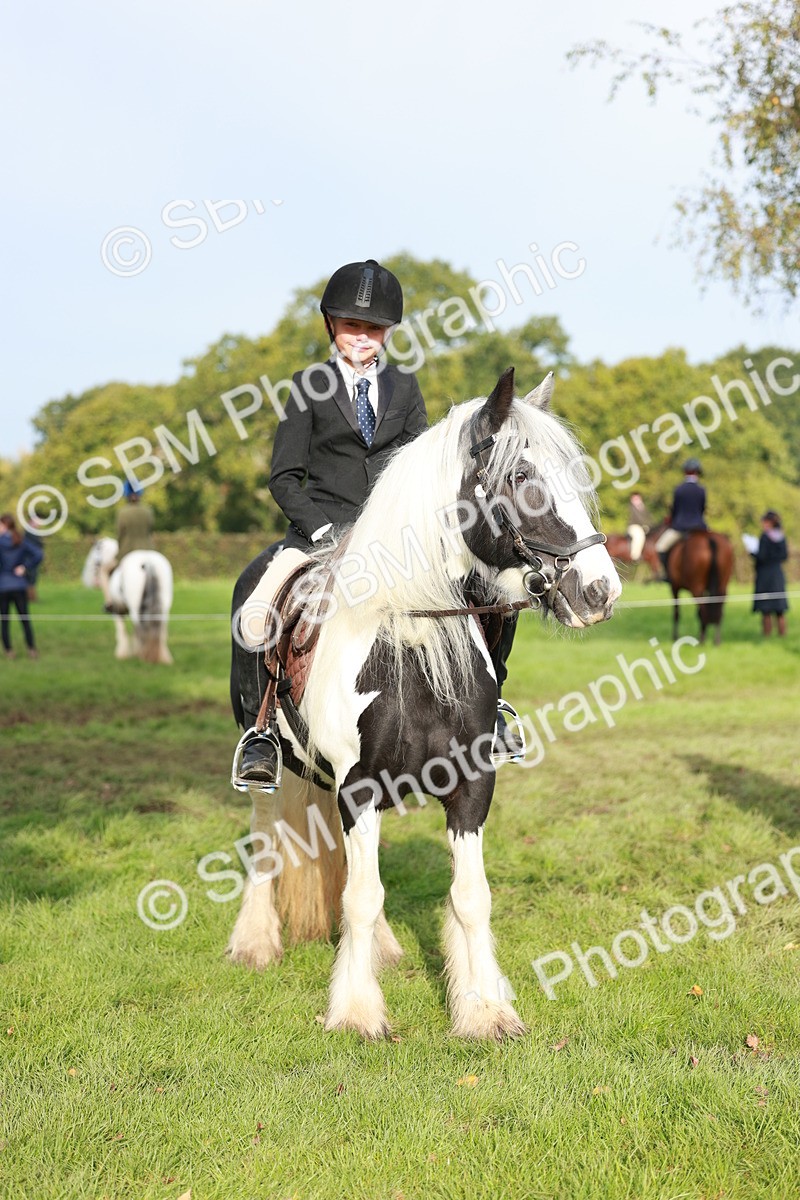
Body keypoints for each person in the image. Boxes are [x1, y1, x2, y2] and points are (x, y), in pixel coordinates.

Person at [235, 258, 522, 788]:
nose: (362, 338)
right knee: (256, 606)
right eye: (352, 327)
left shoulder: (404, 387)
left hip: (396, 539)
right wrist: (324, 532)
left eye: (373, 329)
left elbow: (421, 465)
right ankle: (262, 734)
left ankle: (495, 703)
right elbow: (284, 478)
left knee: (491, 590)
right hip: (321, 536)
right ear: (331, 327)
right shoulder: (305, 387)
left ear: (388, 333)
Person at [99, 481, 155, 608]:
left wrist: (119, 550)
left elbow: (120, 535)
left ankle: (109, 602)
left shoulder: (122, 512)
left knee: (103, 570)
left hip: (128, 551)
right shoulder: (148, 511)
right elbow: (150, 531)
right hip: (148, 550)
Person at [0, 513, 44, 659]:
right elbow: (38, 554)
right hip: (19, 585)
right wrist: (25, 567)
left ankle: (9, 651)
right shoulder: (20, 540)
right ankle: (32, 649)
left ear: (5, 525)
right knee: (25, 619)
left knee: (5, 621)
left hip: (3, 586)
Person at [655, 457, 707, 580]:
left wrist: (671, 519)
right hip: (699, 527)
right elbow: (702, 509)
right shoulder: (701, 490)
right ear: (698, 472)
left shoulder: (679, 489)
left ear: (685, 472)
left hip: (680, 527)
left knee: (660, 547)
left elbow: (675, 510)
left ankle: (667, 574)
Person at [750, 510, 789, 636]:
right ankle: (782, 636)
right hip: (777, 574)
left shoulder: (765, 537)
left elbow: (761, 556)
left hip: (765, 575)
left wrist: (752, 553)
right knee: (780, 609)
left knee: (765, 609)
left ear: (770, 522)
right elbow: (784, 556)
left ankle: (766, 636)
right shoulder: (781, 537)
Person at [626, 492, 653, 562]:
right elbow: (637, 519)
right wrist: (644, 525)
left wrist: (649, 526)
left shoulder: (643, 507)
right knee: (639, 536)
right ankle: (635, 556)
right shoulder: (630, 508)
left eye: (637, 498)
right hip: (633, 526)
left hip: (643, 527)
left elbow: (649, 518)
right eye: (634, 499)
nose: (636, 500)